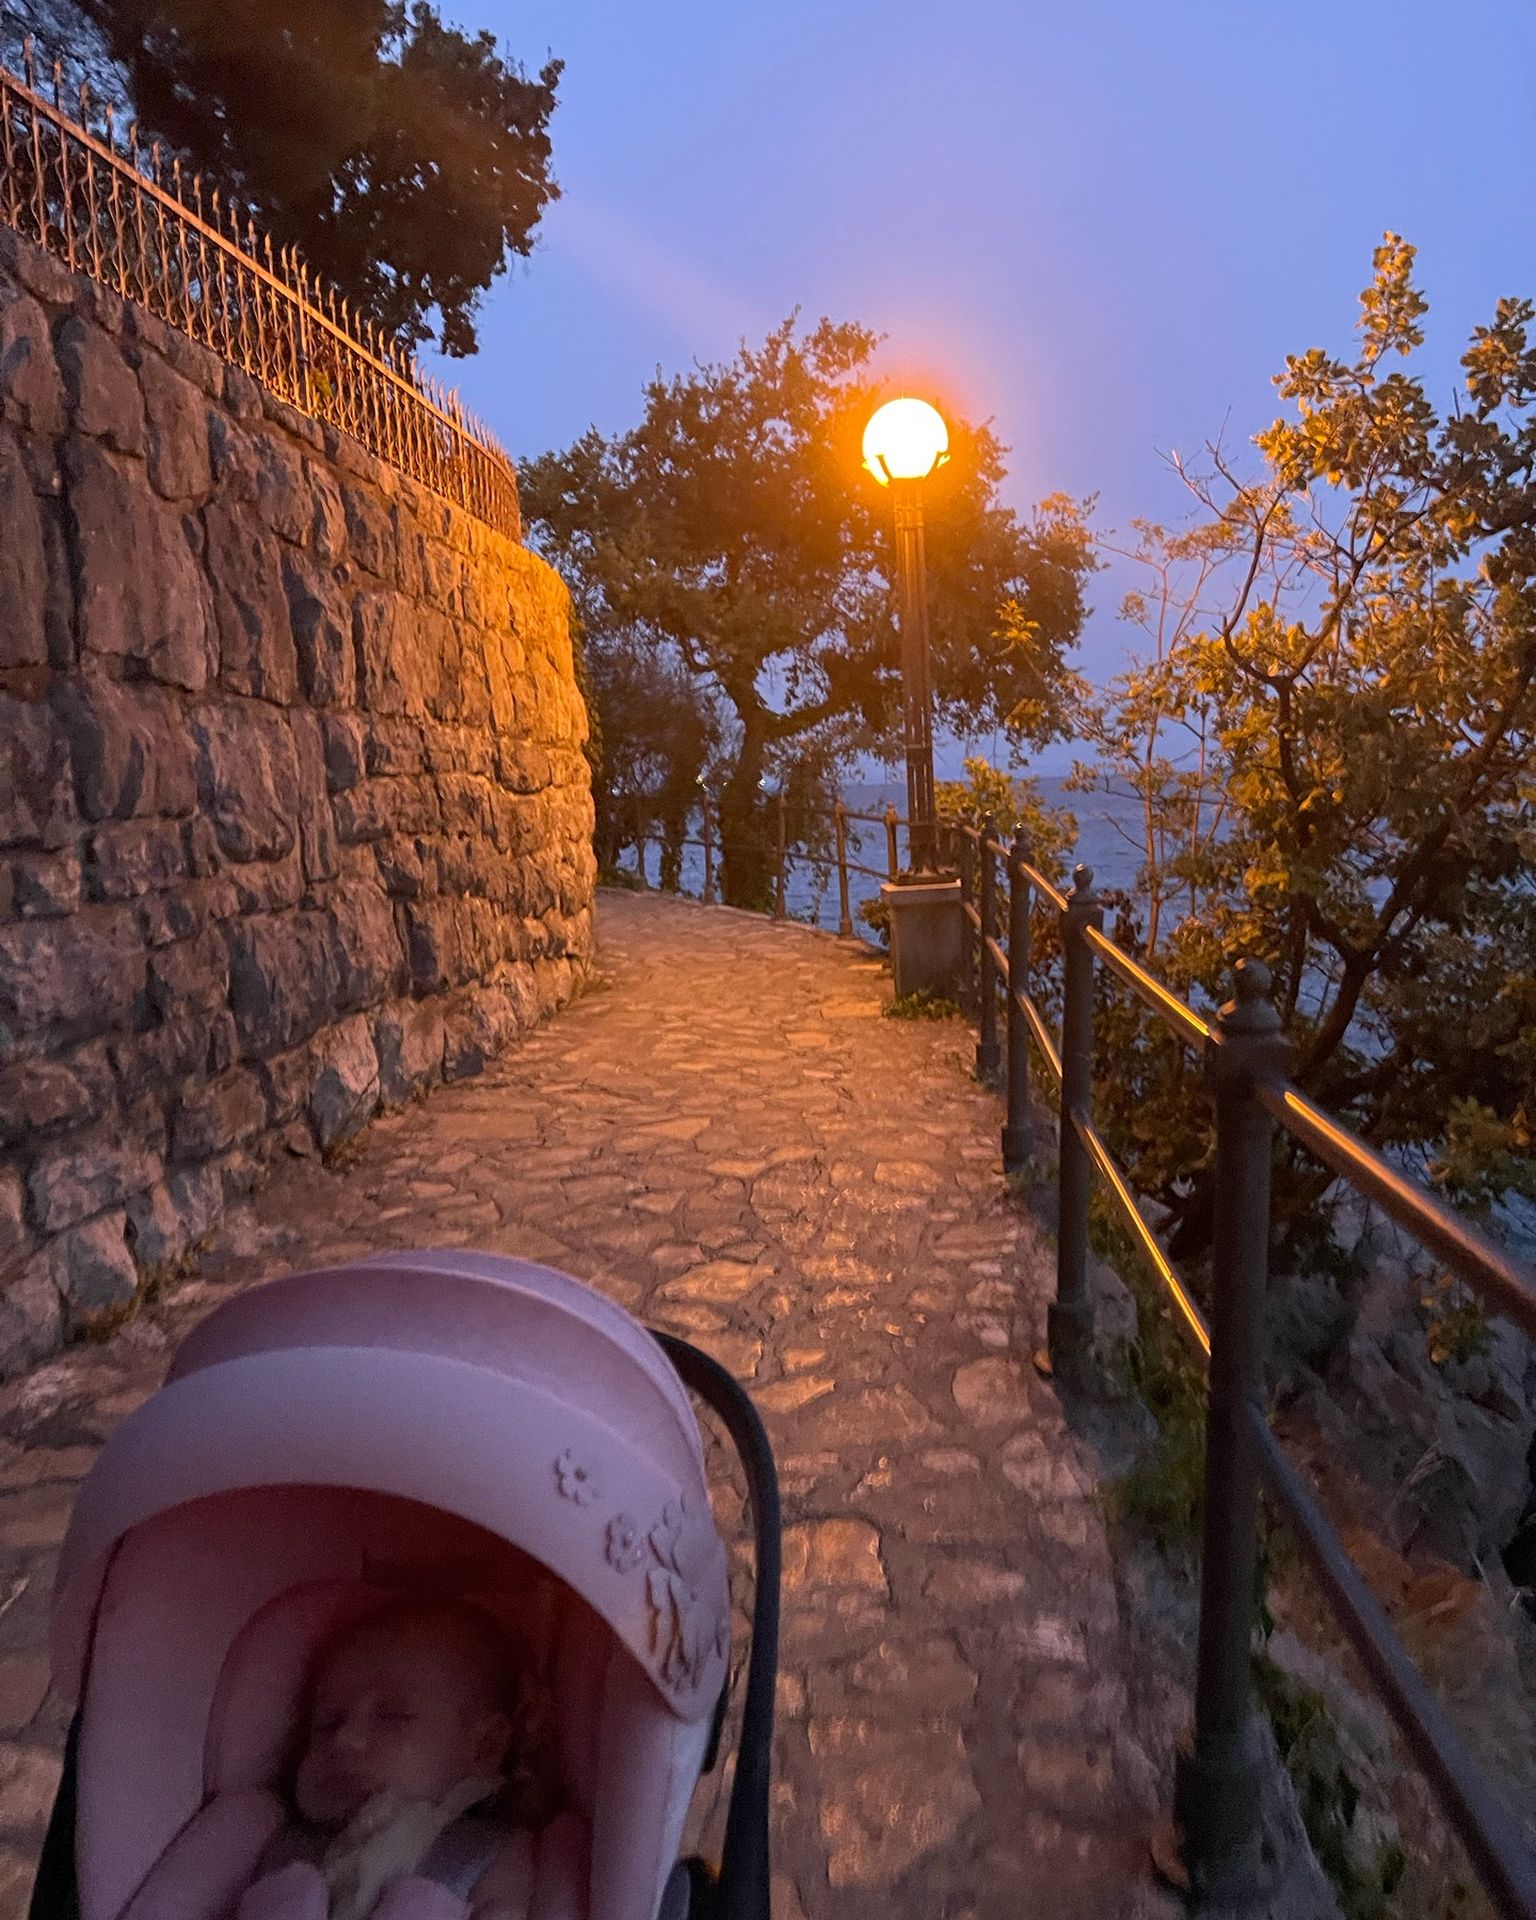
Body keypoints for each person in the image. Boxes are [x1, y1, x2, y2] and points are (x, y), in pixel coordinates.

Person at [126, 1595, 583, 1920]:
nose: (344, 1739)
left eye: (392, 1717)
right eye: (326, 1724)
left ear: (483, 1749)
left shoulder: (489, 1853)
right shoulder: (271, 1839)